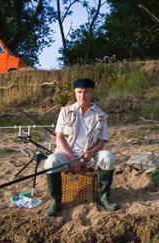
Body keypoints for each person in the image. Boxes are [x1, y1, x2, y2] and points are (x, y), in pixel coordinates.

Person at [43, 78, 120, 217]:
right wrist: (71, 157)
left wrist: (91, 152)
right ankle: (55, 201)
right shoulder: (65, 111)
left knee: (108, 157)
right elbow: (59, 138)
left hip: (89, 156)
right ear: (75, 92)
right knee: (51, 162)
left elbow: (102, 142)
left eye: (86, 92)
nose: (82, 96)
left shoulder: (100, 115)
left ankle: (104, 197)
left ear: (92, 93)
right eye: (79, 92)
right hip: (67, 155)